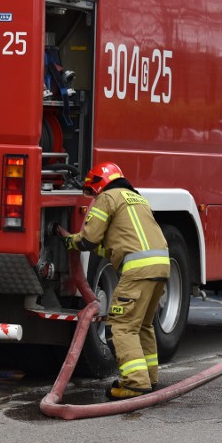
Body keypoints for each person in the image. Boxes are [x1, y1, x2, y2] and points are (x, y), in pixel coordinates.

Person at [57, 161, 170, 400]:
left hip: (137, 271)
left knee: (121, 326)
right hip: (160, 267)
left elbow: (89, 239)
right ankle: (149, 378)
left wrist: (69, 241)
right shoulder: (137, 199)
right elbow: (118, 244)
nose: (91, 197)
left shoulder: (107, 198)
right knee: (143, 326)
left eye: (90, 191)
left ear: (99, 184)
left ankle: (135, 383)